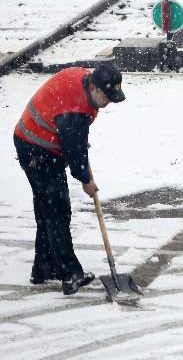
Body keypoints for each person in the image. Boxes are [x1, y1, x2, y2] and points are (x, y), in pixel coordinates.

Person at [14, 64, 126, 295]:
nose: (107, 103)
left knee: (48, 210)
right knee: (57, 211)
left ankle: (44, 268)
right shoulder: (75, 111)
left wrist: (75, 140)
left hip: (36, 142)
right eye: (106, 97)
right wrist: (86, 179)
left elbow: (73, 137)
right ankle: (69, 274)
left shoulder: (84, 80)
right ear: (93, 87)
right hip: (37, 151)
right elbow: (74, 150)